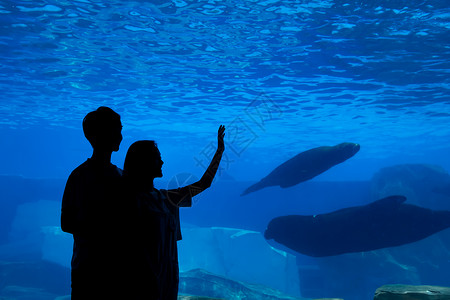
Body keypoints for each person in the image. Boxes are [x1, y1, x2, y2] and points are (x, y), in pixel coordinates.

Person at [123, 125, 225, 300]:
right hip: (141, 279)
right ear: (143, 162)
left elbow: (203, 183)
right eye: (157, 158)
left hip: (167, 277)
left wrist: (219, 152)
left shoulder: (166, 198)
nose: (162, 162)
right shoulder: (128, 200)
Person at [61, 106, 128, 299]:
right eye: (117, 130)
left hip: (112, 268)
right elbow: (66, 223)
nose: (121, 136)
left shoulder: (119, 175)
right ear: (102, 134)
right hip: (90, 269)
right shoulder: (80, 176)